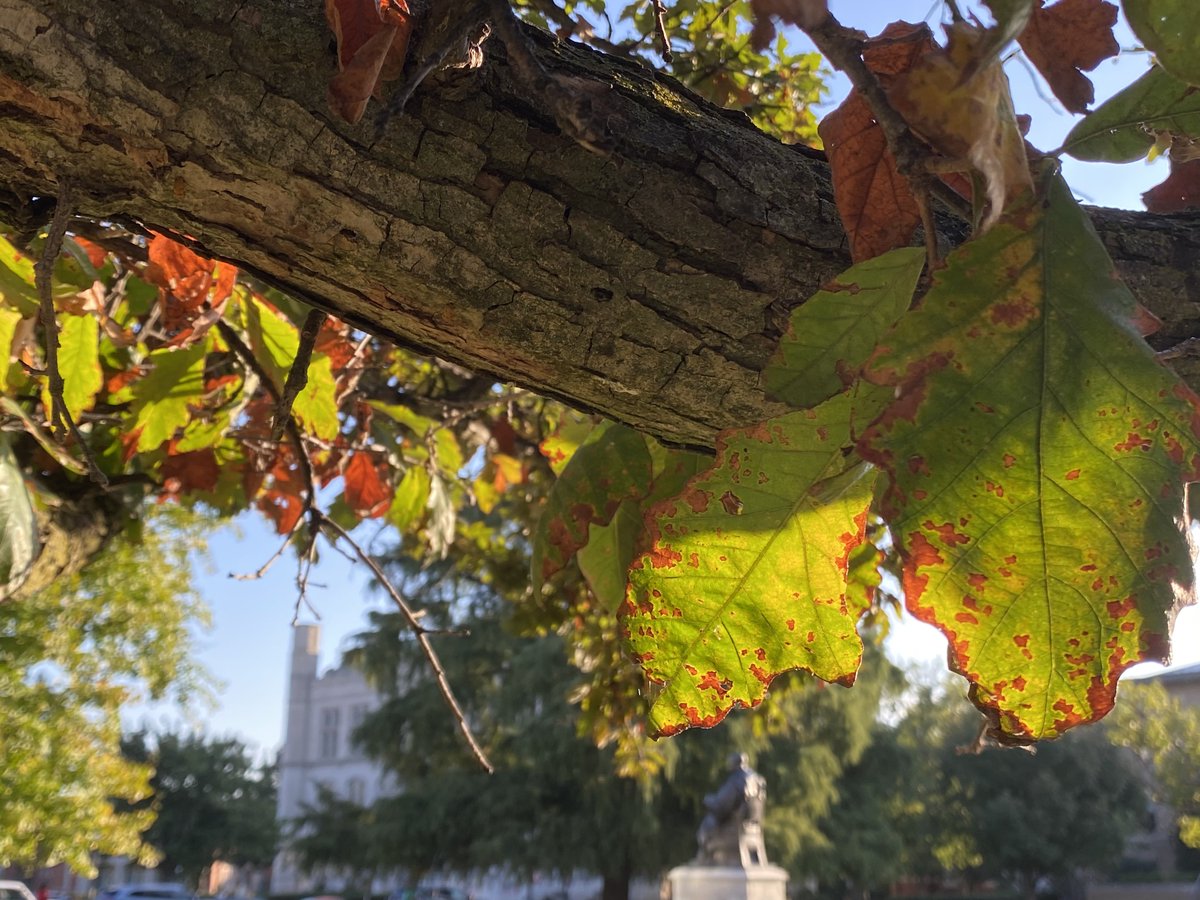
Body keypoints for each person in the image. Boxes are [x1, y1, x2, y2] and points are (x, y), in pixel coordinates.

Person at [695, 752, 766, 865]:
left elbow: (723, 804)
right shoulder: (758, 779)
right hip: (754, 825)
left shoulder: (737, 780)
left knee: (708, 823)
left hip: (736, 824)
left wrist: (708, 800)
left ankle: (704, 859)